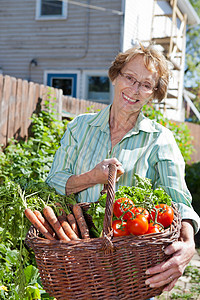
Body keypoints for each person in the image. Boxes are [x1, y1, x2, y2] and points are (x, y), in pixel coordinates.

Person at [46, 43, 200, 295]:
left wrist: (189, 242)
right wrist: (92, 177)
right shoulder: (79, 128)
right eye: (130, 77)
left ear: (153, 93)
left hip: (129, 268)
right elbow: (54, 181)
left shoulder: (160, 140)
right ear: (116, 76)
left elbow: (178, 201)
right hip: (76, 260)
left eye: (146, 85)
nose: (135, 89)